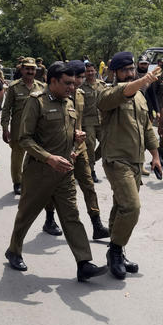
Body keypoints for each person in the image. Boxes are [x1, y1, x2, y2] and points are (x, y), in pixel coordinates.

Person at [5, 62, 108, 282]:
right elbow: (24, 138)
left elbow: (65, 133)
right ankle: (14, 250)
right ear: (52, 81)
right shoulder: (36, 102)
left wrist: (74, 139)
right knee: (26, 214)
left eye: (74, 82)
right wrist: (49, 158)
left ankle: (84, 263)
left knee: (72, 216)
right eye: (67, 83)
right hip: (39, 171)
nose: (72, 87)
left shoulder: (69, 103)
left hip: (64, 173)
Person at [98, 52, 162, 280]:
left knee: (120, 206)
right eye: (124, 70)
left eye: (131, 69)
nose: (129, 73)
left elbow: (147, 128)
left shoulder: (140, 98)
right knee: (132, 207)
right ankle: (115, 250)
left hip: (136, 161)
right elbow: (120, 93)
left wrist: (155, 156)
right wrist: (144, 81)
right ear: (114, 72)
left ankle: (117, 251)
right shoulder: (106, 92)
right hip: (116, 160)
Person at [66, 60, 110, 239]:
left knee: (88, 185)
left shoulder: (80, 95)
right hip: (61, 149)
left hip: (80, 147)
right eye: (76, 77)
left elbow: (79, 120)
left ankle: (96, 224)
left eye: (81, 77)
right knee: (58, 190)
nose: (78, 81)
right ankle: (50, 217)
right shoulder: (57, 95)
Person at [1, 57, 44, 196]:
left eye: (33, 69)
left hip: (37, 129)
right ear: (22, 69)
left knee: (36, 156)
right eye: (27, 69)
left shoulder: (42, 87)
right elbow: (6, 109)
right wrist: (5, 127)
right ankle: (17, 182)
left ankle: (32, 181)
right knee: (17, 158)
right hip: (18, 128)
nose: (30, 71)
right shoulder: (14, 87)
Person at [81, 61, 107, 183]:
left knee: (106, 143)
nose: (90, 73)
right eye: (88, 71)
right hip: (88, 121)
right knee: (90, 145)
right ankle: (91, 170)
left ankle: (90, 160)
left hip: (102, 120)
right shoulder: (81, 88)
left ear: (95, 71)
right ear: (84, 73)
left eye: (92, 70)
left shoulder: (102, 85)